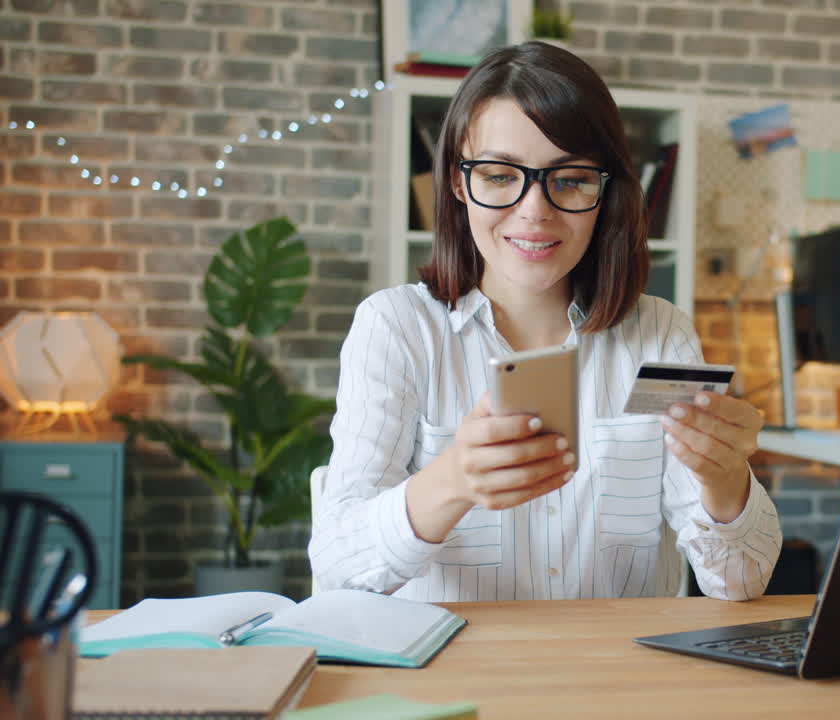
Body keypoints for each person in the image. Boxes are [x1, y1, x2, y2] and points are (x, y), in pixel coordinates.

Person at [309, 42, 781, 602]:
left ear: (606, 194)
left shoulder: (660, 335)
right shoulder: (397, 328)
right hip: (452, 678)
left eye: (571, 179)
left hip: (620, 680)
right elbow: (338, 568)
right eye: (500, 174)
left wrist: (723, 476)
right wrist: (453, 479)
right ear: (461, 183)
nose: (535, 210)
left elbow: (741, 582)